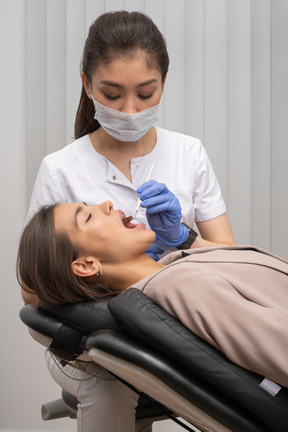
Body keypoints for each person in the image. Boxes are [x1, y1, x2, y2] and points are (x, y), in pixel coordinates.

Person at [22, 10, 236, 432]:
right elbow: (33, 292)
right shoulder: (60, 168)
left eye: (145, 93)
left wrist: (183, 241)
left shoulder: (188, 154)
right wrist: (117, 292)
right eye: (113, 93)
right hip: (89, 340)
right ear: (87, 85)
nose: (130, 109)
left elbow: (230, 261)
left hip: (178, 325)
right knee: (113, 379)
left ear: (163, 85)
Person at [18, 200, 288, 390]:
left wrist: (185, 236)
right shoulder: (180, 286)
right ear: (87, 265)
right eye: (88, 216)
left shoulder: (174, 267)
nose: (107, 204)